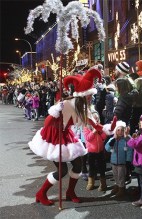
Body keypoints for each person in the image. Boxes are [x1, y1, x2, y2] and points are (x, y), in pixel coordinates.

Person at [28, 68, 103, 205]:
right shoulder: (67, 104)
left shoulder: (83, 106)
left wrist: (103, 127)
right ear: (82, 95)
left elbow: (89, 120)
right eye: (89, 96)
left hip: (65, 134)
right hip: (54, 136)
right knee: (62, 171)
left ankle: (70, 192)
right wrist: (56, 111)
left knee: (78, 165)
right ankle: (41, 193)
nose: (91, 98)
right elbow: (48, 122)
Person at [105, 120, 133, 198]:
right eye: (118, 130)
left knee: (121, 176)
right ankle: (117, 186)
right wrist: (112, 142)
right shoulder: (113, 139)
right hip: (114, 162)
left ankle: (122, 189)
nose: (120, 132)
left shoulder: (126, 140)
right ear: (115, 131)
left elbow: (130, 151)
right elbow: (107, 148)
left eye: (122, 130)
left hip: (122, 162)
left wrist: (128, 160)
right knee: (115, 175)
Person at [83, 111, 109, 191]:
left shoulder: (101, 127)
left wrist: (101, 131)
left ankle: (103, 184)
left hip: (100, 151)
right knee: (92, 167)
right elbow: (88, 138)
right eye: (94, 119)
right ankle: (91, 183)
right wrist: (94, 131)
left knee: (101, 167)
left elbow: (104, 137)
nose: (96, 121)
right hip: (91, 151)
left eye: (97, 119)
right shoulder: (86, 128)